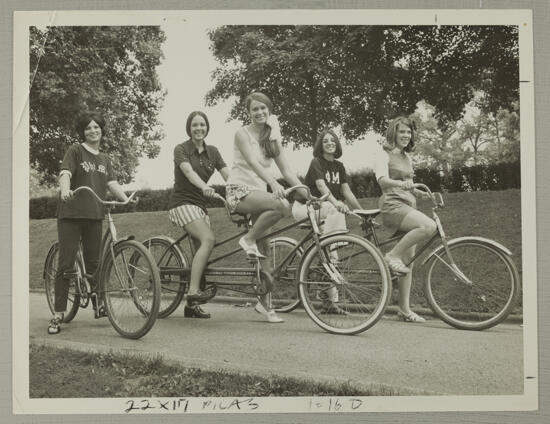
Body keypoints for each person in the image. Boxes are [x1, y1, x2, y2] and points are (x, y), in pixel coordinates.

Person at [225, 92, 307, 323]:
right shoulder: (242, 133)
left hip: (259, 193)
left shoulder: (272, 136)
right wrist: (272, 183)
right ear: (248, 113)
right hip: (239, 191)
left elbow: (287, 170)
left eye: (263, 109)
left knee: (266, 249)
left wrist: (307, 192)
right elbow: (251, 161)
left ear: (269, 110)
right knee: (281, 206)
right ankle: (247, 239)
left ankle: (264, 305)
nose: (260, 113)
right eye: (255, 109)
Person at [49, 111, 130, 335]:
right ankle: (58, 312)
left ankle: (98, 305)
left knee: (94, 263)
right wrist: (65, 190)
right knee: (66, 264)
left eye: (96, 127)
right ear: (83, 132)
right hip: (72, 214)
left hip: (95, 214)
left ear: (102, 130)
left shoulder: (105, 159)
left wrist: (127, 198)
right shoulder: (75, 150)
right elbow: (65, 173)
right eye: (88, 128)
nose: (93, 131)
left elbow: (112, 183)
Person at [167, 111, 230, 319]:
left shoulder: (213, 151)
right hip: (182, 203)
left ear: (207, 127)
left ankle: (191, 308)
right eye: (195, 125)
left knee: (201, 254)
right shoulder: (181, 149)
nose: (199, 128)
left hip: (200, 207)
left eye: (202, 124)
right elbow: (188, 173)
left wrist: (241, 188)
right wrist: (205, 187)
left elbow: (228, 175)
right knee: (208, 238)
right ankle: (193, 292)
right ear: (189, 128)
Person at [292, 128, 362, 315]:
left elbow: (347, 192)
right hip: (304, 208)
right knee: (332, 215)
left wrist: (363, 213)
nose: (330, 143)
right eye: (325, 141)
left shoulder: (339, 166)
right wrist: (336, 202)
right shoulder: (316, 162)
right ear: (320, 145)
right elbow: (321, 187)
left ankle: (329, 304)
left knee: (332, 259)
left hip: (324, 211)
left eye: (333, 140)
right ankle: (330, 249)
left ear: (337, 144)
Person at [375, 116, 437, 323]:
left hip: (408, 204)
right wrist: (403, 186)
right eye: (402, 131)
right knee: (429, 226)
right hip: (392, 205)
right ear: (393, 132)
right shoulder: (382, 154)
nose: (406, 135)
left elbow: (408, 183)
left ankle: (404, 310)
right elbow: (383, 182)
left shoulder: (407, 157)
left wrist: (421, 193)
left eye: (408, 132)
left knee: (407, 262)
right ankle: (390, 256)